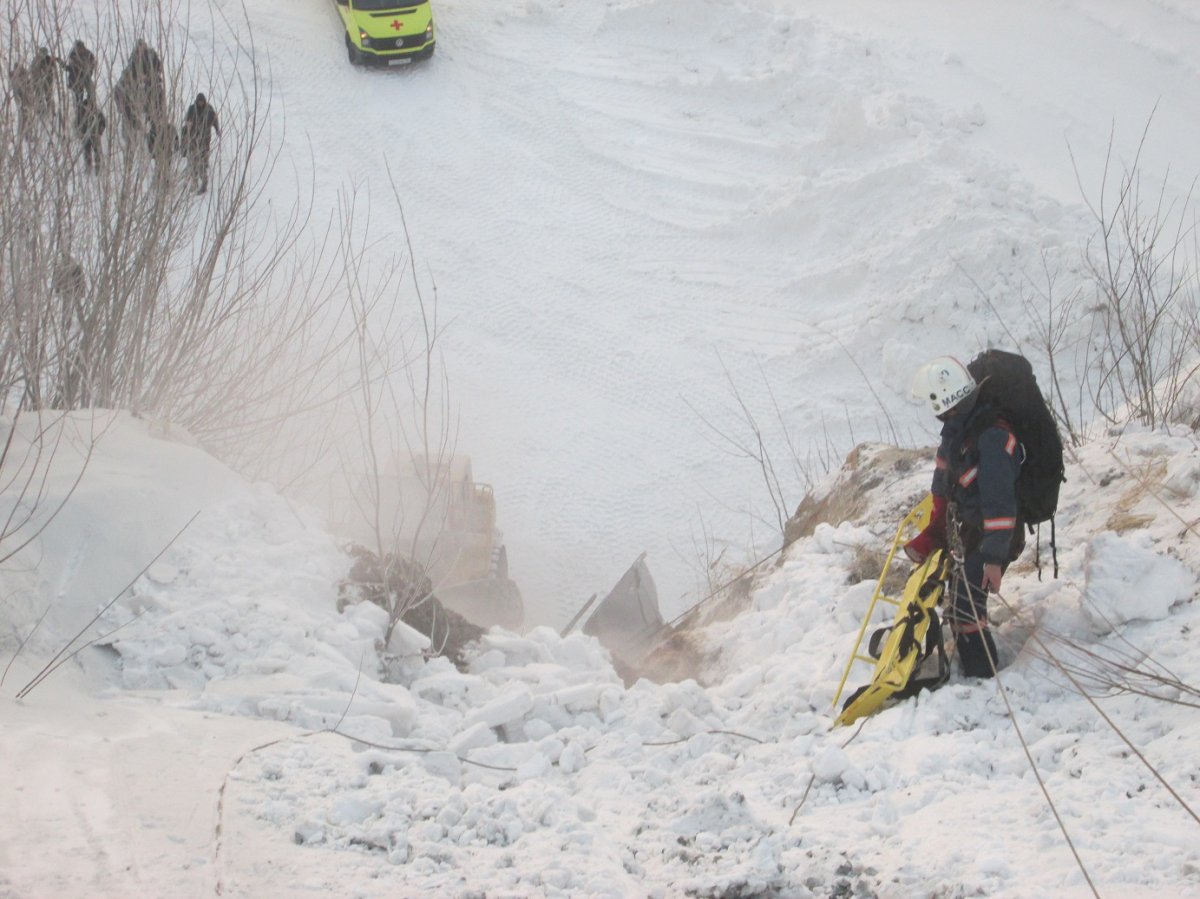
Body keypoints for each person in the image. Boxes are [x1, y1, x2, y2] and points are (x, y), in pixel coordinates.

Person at [903, 355, 1024, 678]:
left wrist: (994, 560)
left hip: (998, 535)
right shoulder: (957, 431)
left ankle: (983, 678)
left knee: (965, 605)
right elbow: (943, 485)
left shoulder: (992, 439)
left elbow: (1001, 507)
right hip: (972, 530)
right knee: (958, 602)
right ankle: (974, 668)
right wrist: (934, 533)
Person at [180, 92, 220, 194]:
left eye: (202, 102)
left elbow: (215, 120)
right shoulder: (192, 109)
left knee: (202, 161)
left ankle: (204, 183)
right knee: (192, 161)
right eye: (199, 102)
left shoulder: (209, 110)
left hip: (204, 139)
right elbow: (187, 123)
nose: (200, 103)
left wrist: (217, 130)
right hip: (193, 139)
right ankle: (194, 183)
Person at [63, 39, 97, 109]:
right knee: (78, 94)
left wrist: (88, 71)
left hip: (86, 75)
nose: (79, 49)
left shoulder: (88, 53)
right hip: (76, 77)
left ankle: (90, 106)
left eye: (80, 47)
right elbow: (71, 67)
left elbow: (93, 64)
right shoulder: (72, 54)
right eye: (77, 47)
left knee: (91, 91)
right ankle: (79, 107)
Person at [76, 95, 106, 172]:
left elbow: (103, 122)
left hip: (95, 135)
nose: (88, 108)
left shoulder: (97, 112)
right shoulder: (81, 112)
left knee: (97, 152)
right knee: (87, 153)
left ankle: (98, 168)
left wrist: (100, 132)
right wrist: (80, 133)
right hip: (86, 136)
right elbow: (77, 124)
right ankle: (88, 168)